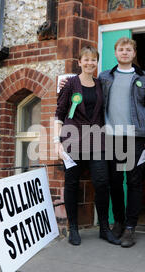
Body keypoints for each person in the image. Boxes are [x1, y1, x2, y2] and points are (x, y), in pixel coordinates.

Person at [60, 38, 145, 248]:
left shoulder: (144, 78)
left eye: (128, 49)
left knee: (133, 183)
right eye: (121, 49)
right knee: (114, 183)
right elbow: (83, 83)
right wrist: (64, 81)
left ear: (134, 53)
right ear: (115, 53)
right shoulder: (105, 77)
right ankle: (119, 223)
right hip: (110, 138)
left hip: (135, 137)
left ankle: (130, 227)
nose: (124, 52)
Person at [54, 46, 121, 246]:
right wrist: (57, 143)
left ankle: (103, 228)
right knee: (72, 183)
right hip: (72, 139)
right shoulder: (70, 83)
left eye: (94, 60)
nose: (90, 63)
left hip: (97, 140)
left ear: (96, 63)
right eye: (86, 59)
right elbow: (59, 114)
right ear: (80, 62)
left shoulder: (101, 84)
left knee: (102, 183)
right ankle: (73, 228)